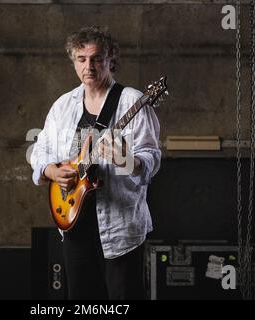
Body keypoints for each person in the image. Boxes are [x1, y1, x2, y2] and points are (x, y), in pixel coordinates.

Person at [30, 26, 161, 300]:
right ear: (74, 62)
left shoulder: (133, 102)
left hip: (120, 227)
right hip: (74, 221)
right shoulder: (63, 106)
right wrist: (51, 170)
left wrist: (126, 159)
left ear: (110, 60)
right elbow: (39, 149)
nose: (88, 66)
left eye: (96, 59)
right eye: (81, 59)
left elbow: (151, 159)